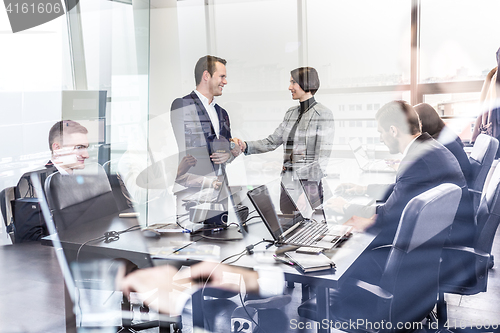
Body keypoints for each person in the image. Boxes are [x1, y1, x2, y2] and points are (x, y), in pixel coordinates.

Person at [333, 101, 475, 250]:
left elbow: (388, 216)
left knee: (350, 250)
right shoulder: (430, 147)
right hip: (447, 237)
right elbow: (401, 189)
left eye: (381, 132)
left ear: (393, 131)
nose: (381, 139)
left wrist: (346, 207)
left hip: (441, 249)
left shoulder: (417, 161)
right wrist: (363, 189)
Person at [235, 67, 334, 181]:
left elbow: (322, 158)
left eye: (293, 82)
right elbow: (272, 142)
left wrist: (310, 190)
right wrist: (246, 146)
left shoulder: (322, 114)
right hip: (287, 181)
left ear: (305, 83)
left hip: (307, 184)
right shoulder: (291, 113)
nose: (289, 87)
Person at [14, 120, 89, 242]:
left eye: (85, 147)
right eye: (79, 148)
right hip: (54, 255)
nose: (86, 155)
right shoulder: (34, 181)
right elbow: (31, 241)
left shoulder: (79, 180)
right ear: (57, 148)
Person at [170, 55, 241, 183]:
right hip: (193, 189)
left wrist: (228, 155)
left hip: (221, 187)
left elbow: (228, 149)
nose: (225, 82)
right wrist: (230, 146)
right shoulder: (183, 105)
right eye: (222, 76)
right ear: (206, 76)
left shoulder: (222, 112)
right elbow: (192, 147)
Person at [414, 102, 471, 184]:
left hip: (456, 189)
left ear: (421, 123)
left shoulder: (438, 144)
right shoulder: (445, 136)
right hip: (459, 185)